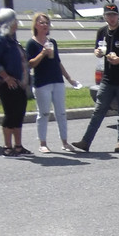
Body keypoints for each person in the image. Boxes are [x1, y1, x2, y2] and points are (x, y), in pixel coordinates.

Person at [72, 4, 119, 153]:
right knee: (99, 110)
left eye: (114, 15)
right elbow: (98, 49)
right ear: (104, 16)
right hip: (108, 78)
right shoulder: (102, 31)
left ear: (118, 16)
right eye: (108, 15)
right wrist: (97, 52)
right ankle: (86, 141)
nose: (111, 18)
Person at [27, 13, 80, 154]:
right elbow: (30, 64)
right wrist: (43, 53)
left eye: (47, 23)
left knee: (61, 113)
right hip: (42, 82)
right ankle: (42, 143)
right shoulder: (31, 43)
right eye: (42, 22)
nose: (45, 25)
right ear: (35, 25)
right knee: (43, 113)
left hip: (57, 81)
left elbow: (57, 62)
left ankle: (64, 142)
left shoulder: (52, 42)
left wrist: (69, 79)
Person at [0, 7, 31, 156]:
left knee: (19, 113)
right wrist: (5, 76)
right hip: (6, 83)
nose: (17, 23)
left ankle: (18, 146)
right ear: (8, 22)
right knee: (11, 114)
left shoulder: (11, 39)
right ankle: (7, 146)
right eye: (15, 20)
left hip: (18, 83)